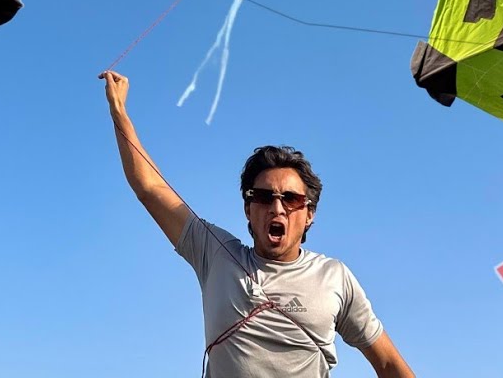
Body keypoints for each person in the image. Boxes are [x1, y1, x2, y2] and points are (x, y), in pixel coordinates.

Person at [99, 70, 416, 378]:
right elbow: (150, 188)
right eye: (263, 197)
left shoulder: (335, 277)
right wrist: (120, 112)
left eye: (291, 199)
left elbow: (388, 364)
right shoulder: (216, 254)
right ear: (248, 209)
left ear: (309, 214)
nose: (277, 207)